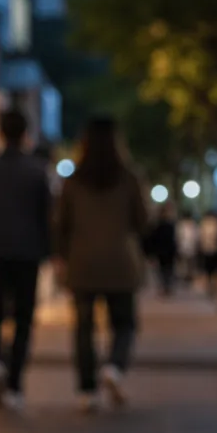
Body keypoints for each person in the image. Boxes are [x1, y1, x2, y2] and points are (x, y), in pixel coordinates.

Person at [53, 115, 147, 411]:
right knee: (125, 323)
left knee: (83, 327)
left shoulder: (74, 181)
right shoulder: (129, 178)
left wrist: (61, 256)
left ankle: (86, 390)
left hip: (82, 262)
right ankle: (114, 367)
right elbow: (142, 221)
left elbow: (60, 224)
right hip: (120, 261)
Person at [0, 109, 53, 409]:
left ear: (0, 133)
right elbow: (47, 217)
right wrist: (50, 252)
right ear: (26, 135)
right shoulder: (37, 171)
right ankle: (15, 381)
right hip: (28, 253)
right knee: (23, 318)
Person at [146, 203, 178, 297]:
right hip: (165, 251)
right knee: (166, 270)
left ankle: (166, 287)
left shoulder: (162, 225)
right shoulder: (165, 225)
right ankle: (166, 287)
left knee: (164, 270)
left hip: (164, 251)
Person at [197, 211, 217, 295]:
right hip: (213, 249)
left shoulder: (204, 224)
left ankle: (211, 283)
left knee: (209, 268)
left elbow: (201, 236)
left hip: (208, 249)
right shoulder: (216, 224)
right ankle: (212, 284)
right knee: (213, 268)